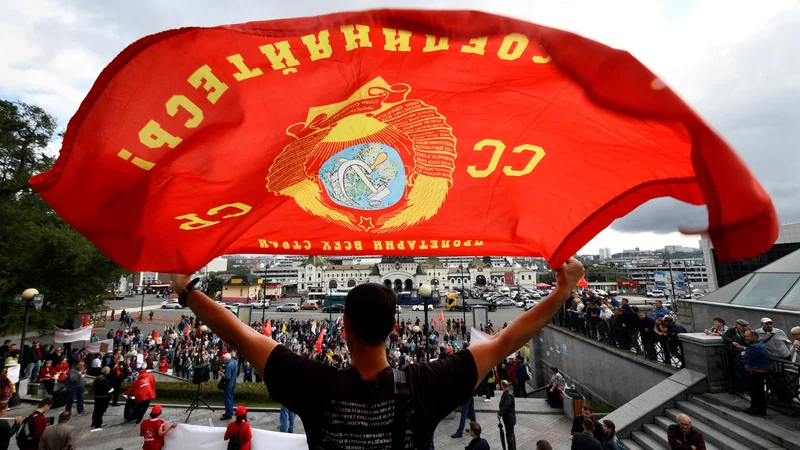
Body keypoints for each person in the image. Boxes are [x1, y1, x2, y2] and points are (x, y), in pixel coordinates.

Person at [170, 257, 585, 449]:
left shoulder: (316, 384)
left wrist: (186, 290)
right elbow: (506, 340)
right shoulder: (426, 384)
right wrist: (562, 291)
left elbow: (242, 335)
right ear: (393, 328)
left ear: (344, 326)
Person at [742, 330, 770, 415]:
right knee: (755, 390)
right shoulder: (757, 345)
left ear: (754, 337)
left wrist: (744, 354)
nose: (745, 338)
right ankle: (754, 406)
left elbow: (746, 358)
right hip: (755, 371)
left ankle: (759, 408)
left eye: (747, 336)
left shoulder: (756, 347)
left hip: (756, 371)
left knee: (756, 391)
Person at [498, 380, 516, 450]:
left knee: (510, 437)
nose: (500, 385)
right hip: (507, 419)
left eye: (501, 384)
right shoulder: (505, 393)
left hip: (509, 420)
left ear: (502, 385)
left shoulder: (509, 395)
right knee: (510, 435)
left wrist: (500, 413)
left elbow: (506, 406)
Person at [220, 353, 238, 420]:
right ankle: (230, 411)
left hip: (228, 385)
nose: (223, 359)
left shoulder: (229, 366)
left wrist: (221, 374)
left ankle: (228, 414)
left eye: (223, 358)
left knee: (227, 400)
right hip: (233, 383)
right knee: (230, 399)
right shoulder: (234, 362)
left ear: (226, 359)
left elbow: (227, 376)